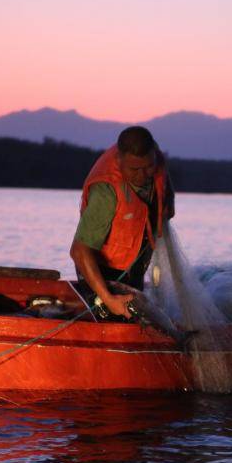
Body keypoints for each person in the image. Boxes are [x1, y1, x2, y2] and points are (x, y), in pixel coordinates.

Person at [70, 126, 174, 319]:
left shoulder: (154, 155)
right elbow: (79, 251)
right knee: (115, 318)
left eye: (148, 167)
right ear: (119, 160)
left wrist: (169, 198)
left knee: (140, 315)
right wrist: (109, 299)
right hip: (102, 269)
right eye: (134, 169)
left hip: (134, 258)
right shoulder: (105, 192)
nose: (142, 176)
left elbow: (161, 173)